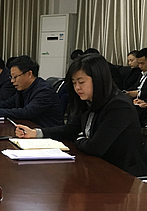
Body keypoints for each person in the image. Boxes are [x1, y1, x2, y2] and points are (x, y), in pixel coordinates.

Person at [15, 54, 147, 177]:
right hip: (97, 168)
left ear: (98, 79)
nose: (77, 87)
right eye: (74, 83)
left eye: (81, 82)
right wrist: (35, 133)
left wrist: (78, 138)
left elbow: (95, 148)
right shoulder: (88, 101)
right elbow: (69, 130)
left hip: (124, 175)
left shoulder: (119, 106)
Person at [0, 55, 63, 127]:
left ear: (29, 74)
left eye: (15, 77)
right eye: (11, 77)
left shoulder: (44, 91)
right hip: (28, 129)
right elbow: (9, 103)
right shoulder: (23, 88)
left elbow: (27, 112)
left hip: (46, 134)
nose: (12, 81)